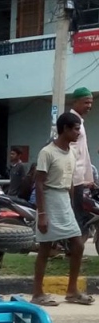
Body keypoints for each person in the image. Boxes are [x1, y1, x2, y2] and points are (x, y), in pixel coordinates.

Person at [32, 111, 93, 307]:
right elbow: (39, 183)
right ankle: (37, 293)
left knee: (78, 244)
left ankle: (72, 290)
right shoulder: (47, 152)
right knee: (45, 248)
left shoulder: (72, 152)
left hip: (64, 200)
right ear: (65, 129)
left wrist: (71, 205)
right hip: (48, 199)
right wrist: (42, 214)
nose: (78, 133)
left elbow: (70, 181)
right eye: (75, 129)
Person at [69, 87, 94, 232]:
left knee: (78, 215)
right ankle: (71, 250)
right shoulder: (72, 121)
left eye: (91, 102)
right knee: (74, 215)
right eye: (86, 102)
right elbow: (70, 151)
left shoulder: (80, 122)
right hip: (73, 178)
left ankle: (72, 251)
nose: (89, 106)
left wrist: (88, 177)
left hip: (79, 178)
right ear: (75, 102)